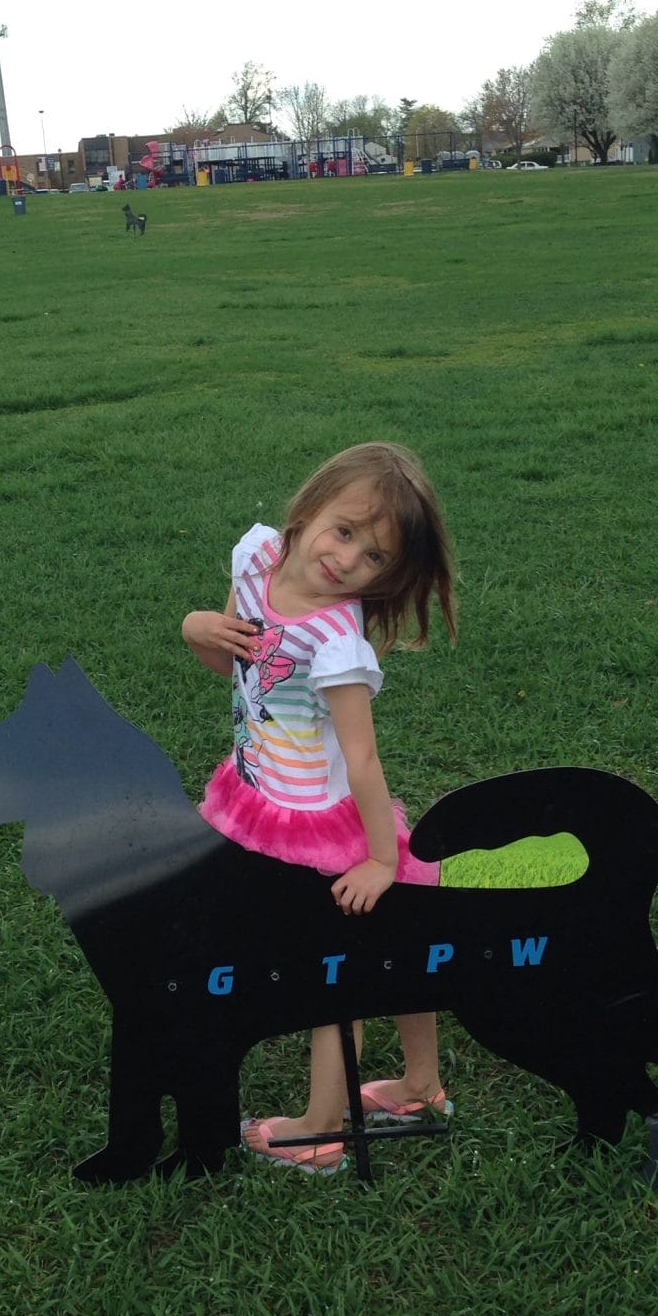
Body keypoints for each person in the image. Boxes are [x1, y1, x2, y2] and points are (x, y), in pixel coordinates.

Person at [181, 441, 458, 1173]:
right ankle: (421, 1086)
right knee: (395, 943)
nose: (347, 560)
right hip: (258, 791)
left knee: (334, 973)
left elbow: (362, 758)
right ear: (308, 510)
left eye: (374, 557)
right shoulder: (255, 559)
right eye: (344, 531)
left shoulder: (337, 642)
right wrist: (196, 628)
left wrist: (381, 858)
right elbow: (234, 663)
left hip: (320, 828)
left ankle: (320, 1133)